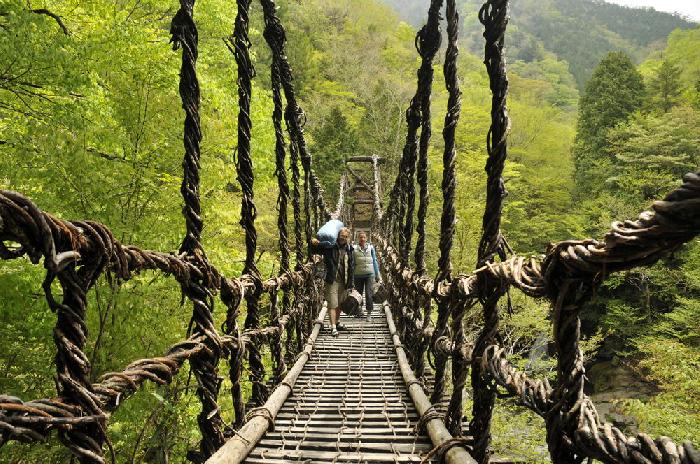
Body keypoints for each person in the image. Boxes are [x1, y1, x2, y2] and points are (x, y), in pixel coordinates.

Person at [310, 227, 354, 337]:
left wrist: (351, 283)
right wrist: (313, 242)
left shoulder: (350, 249)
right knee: (332, 304)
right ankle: (333, 327)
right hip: (332, 279)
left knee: (339, 304)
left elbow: (352, 266)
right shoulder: (330, 246)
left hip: (344, 281)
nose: (343, 238)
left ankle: (337, 322)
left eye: (345, 236)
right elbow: (315, 249)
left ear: (348, 237)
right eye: (342, 235)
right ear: (338, 235)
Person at [352, 231, 380, 320]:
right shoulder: (353, 248)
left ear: (366, 238)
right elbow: (352, 263)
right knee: (358, 295)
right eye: (360, 237)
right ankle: (359, 311)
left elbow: (374, 261)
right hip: (358, 275)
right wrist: (350, 277)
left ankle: (369, 314)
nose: (362, 239)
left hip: (370, 275)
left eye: (364, 237)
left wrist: (377, 274)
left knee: (369, 294)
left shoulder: (371, 248)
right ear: (358, 238)